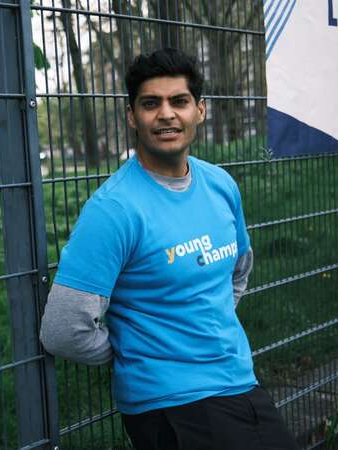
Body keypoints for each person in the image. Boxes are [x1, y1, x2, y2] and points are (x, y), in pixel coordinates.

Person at [40, 48, 296, 450]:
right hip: (171, 405)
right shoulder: (113, 210)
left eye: (179, 101)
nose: (166, 114)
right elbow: (62, 331)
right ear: (131, 116)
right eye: (150, 103)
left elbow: (238, 268)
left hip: (239, 380)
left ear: (201, 110)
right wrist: (142, 350)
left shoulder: (221, 185)